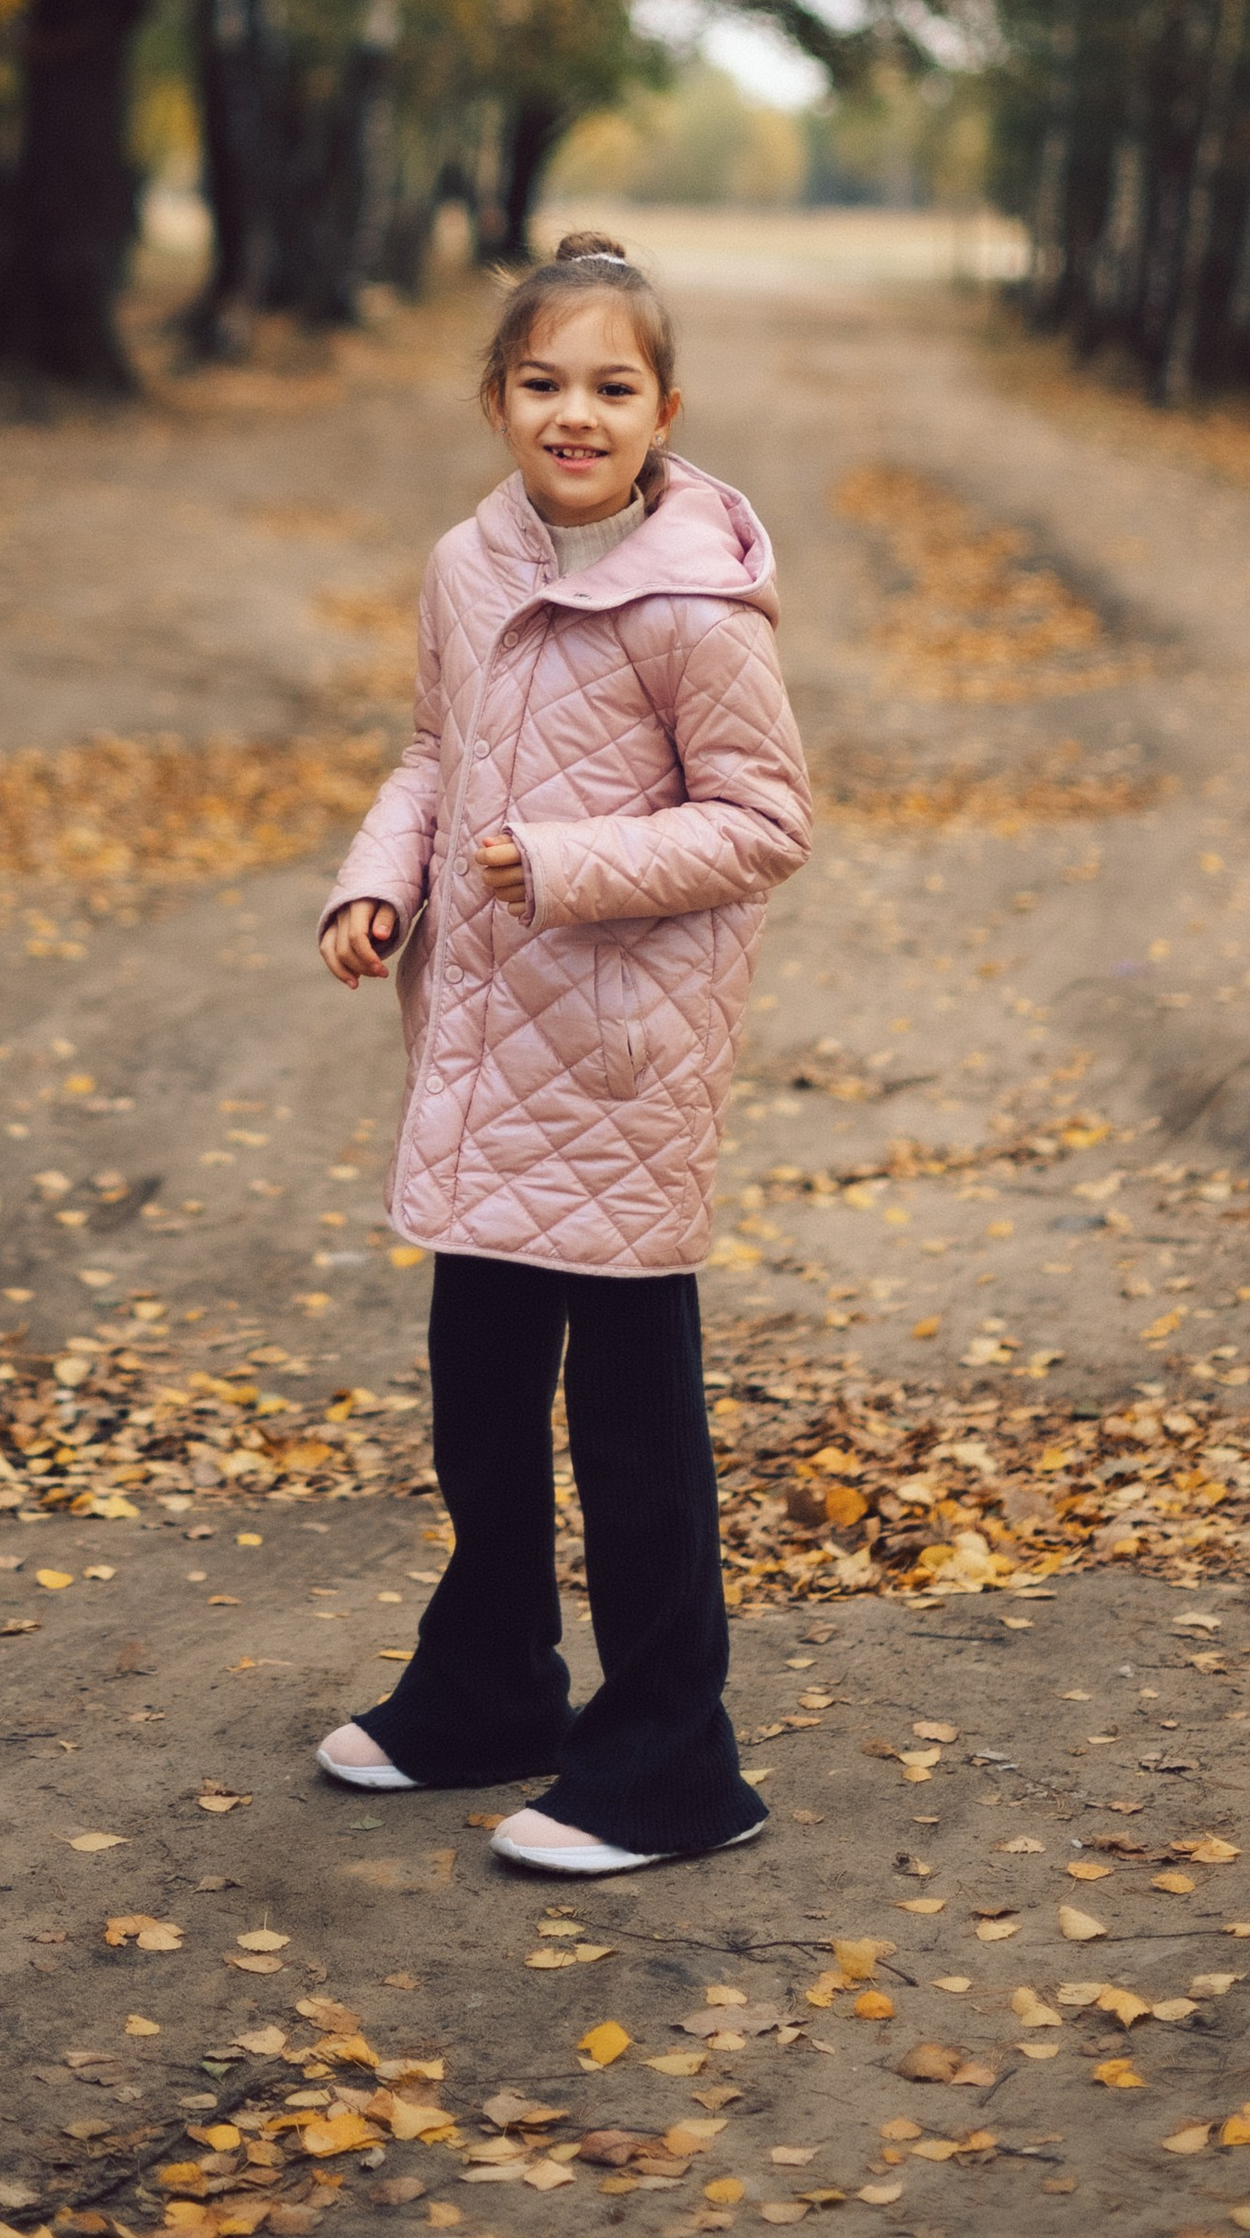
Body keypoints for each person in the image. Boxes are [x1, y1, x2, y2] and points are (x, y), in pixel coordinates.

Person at [313, 230, 812, 1874]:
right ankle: (491, 1690)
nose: (574, 414)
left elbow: (763, 822)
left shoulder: (697, 603)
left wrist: (572, 862)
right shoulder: (468, 564)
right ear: (497, 400)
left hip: (616, 1063)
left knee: (631, 1432)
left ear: (666, 406)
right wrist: (380, 883)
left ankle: (674, 1759)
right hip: (479, 1048)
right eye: (543, 384)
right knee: (476, 1398)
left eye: (612, 386)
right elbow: (432, 752)